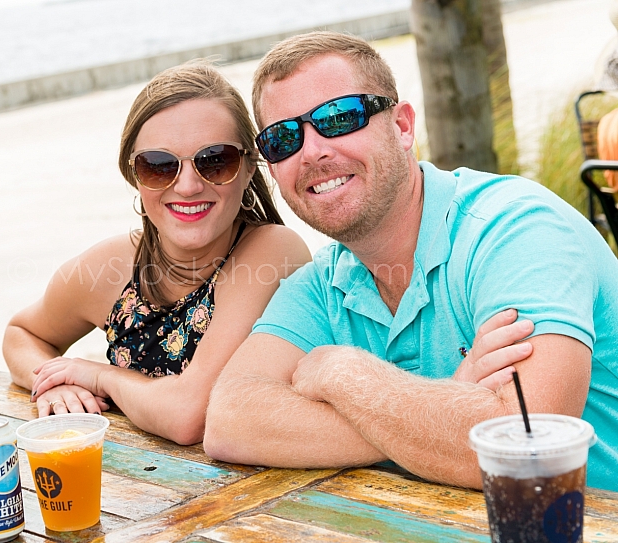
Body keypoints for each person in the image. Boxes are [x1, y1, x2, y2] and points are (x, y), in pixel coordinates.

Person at [203, 31, 618, 492]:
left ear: (402, 126)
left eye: (340, 117)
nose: (314, 150)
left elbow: (529, 447)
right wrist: (443, 404)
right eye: (282, 139)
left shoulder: (514, 230)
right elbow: (230, 419)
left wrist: (343, 374)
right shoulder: (324, 281)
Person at [3, 60, 311, 445]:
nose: (186, 186)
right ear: (134, 174)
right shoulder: (111, 268)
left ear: (250, 167)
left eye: (215, 161)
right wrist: (51, 383)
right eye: (159, 166)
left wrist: (101, 376)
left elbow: (189, 417)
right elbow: (22, 333)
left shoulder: (270, 253)